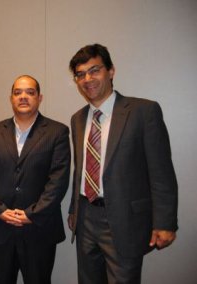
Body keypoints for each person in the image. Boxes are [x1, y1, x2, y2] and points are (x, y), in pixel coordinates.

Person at [67, 43, 178, 283]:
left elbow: (161, 173)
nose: (87, 79)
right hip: (86, 218)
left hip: (124, 220)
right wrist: (74, 210)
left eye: (94, 70)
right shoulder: (77, 119)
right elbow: (81, 170)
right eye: (80, 74)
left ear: (111, 71)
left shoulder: (143, 111)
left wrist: (165, 222)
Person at [0, 75, 71, 284]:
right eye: (17, 92)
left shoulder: (57, 132)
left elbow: (58, 179)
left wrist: (32, 214)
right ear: (11, 98)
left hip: (39, 229)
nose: (23, 97)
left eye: (30, 92)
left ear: (40, 98)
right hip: (2, 228)